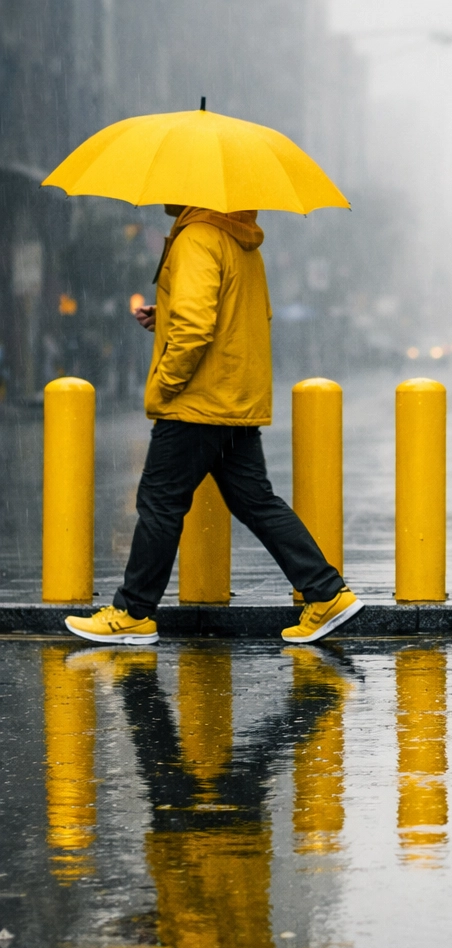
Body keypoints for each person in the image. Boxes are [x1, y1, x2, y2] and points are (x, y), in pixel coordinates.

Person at [65, 204, 362, 646]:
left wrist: (165, 384)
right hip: (232, 394)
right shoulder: (239, 237)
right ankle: (326, 593)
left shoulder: (197, 238)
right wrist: (164, 316)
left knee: (159, 501)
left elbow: (196, 327)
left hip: (197, 400)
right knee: (255, 501)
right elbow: (231, 314)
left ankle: (132, 612)